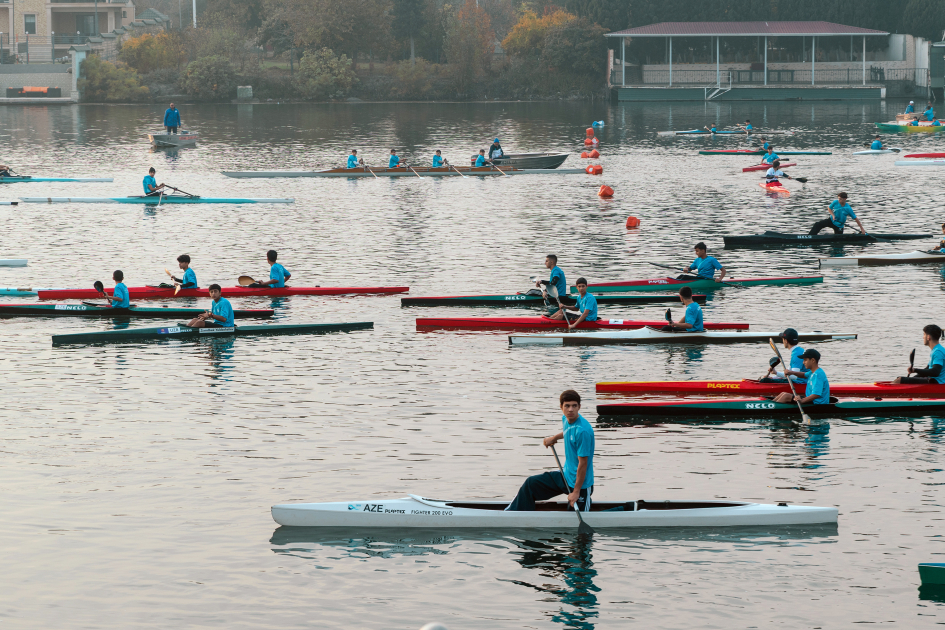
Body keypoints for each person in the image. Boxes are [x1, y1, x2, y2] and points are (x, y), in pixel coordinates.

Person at [506, 390, 594, 512]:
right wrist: (554, 438)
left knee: (573, 520)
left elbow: (583, 464)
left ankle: (619, 510)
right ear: (561, 407)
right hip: (566, 475)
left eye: (574, 406)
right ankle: (514, 514)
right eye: (567, 406)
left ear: (579, 407)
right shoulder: (566, 419)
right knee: (531, 484)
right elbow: (568, 431)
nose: (570, 409)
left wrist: (576, 492)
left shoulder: (583, 431)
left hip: (581, 484)